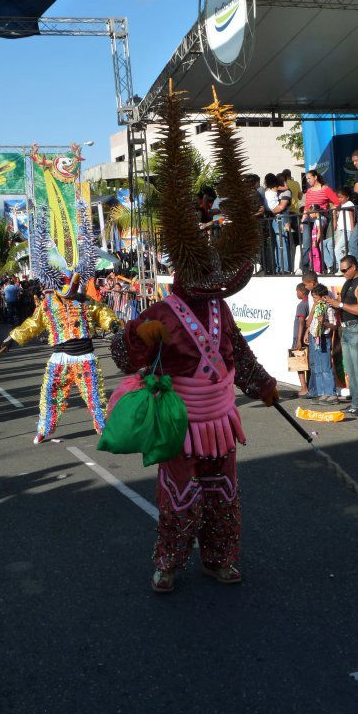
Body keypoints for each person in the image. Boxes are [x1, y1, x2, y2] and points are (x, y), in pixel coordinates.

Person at [109, 86, 278, 593]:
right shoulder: (161, 310)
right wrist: (138, 335)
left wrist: (263, 385)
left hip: (221, 423)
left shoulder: (221, 309)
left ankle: (220, 558)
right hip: (180, 424)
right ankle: (169, 559)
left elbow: (239, 356)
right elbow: (122, 357)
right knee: (179, 499)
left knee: (223, 495)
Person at [2, 215, 120, 444]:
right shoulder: (48, 304)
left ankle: (104, 430)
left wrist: (114, 324)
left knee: (96, 399)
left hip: (86, 359)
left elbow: (103, 313)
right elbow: (33, 324)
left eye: (74, 290)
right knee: (50, 396)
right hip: (60, 360)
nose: (72, 295)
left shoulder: (86, 301)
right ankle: (44, 430)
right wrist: (12, 338)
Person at [323, 255, 358, 416]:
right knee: (351, 371)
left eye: (345, 270)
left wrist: (339, 304)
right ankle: (356, 403)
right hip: (346, 330)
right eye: (341, 270)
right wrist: (333, 303)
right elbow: (343, 305)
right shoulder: (347, 283)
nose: (343, 272)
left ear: (354, 267)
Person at [301, 170, 339, 271]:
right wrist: (302, 220)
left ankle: (321, 267)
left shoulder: (325, 189)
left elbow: (337, 202)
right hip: (308, 219)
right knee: (306, 243)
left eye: (309, 178)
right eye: (307, 179)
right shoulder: (309, 191)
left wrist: (333, 213)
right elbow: (306, 207)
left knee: (318, 243)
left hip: (320, 218)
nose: (308, 181)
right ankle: (304, 267)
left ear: (315, 177)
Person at [305, 284, 337, 403]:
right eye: (313, 298)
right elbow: (308, 323)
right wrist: (313, 309)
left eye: (316, 298)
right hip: (314, 338)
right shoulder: (315, 307)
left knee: (325, 367)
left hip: (323, 337)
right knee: (317, 367)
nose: (315, 300)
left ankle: (331, 393)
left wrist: (324, 322)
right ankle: (321, 393)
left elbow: (333, 326)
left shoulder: (328, 308)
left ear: (323, 297)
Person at [265, 172, 292, 273]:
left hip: (278, 218)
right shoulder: (275, 191)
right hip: (277, 218)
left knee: (280, 243)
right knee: (280, 243)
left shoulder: (270, 191)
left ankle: (282, 268)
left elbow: (281, 206)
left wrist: (269, 211)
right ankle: (281, 268)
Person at [323, 187, 354, 274]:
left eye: (341, 197)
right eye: (338, 197)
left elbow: (351, 217)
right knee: (340, 248)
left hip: (347, 230)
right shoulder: (343, 206)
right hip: (341, 230)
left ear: (347, 197)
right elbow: (335, 223)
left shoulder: (349, 204)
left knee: (338, 249)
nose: (339, 199)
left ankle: (342, 269)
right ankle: (340, 267)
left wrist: (352, 230)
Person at [292, 283, 310, 396]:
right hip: (306, 337)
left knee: (298, 363)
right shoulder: (310, 303)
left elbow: (301, 322)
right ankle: (307, 386)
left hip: (299, 337)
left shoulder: (302, 305)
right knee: (307, 363)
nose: (296, 293)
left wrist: (298, 340)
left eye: (297, 291)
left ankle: (304, 388)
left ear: (302, 292)